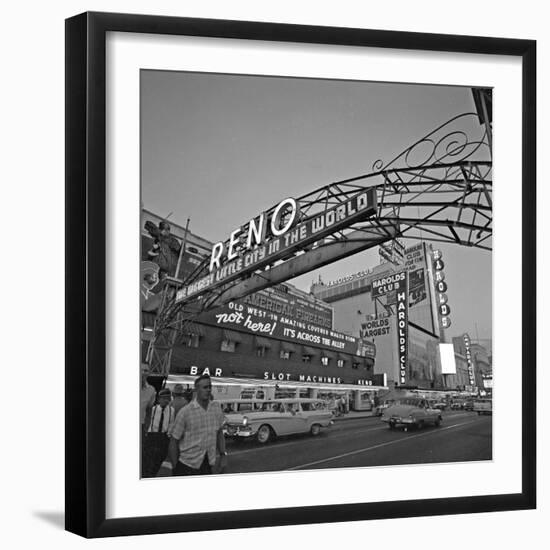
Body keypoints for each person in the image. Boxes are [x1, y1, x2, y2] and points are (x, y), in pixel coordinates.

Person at [168, 374, 227, 476]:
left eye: (210, 387)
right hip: (187, 465)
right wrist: (175, 467)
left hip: (208, 463)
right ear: (197, 389)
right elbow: (174, 441)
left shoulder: (216, 408)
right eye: (205, 387)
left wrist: (223, 455)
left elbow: (219, 433)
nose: (208, 390)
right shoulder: (185, 412)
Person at [142, 388, 175, 477]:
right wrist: (147, 433)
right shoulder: (153, 409)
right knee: (148, 461)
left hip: (163, 438)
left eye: (167, 398)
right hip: (152, 436)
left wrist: (168, 434)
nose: (165, 400)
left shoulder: (172, 410)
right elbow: (147, 421)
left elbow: (171, 423)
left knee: (159, 460)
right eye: (163, 398)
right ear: (159, 399)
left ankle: (153, 475)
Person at [140, 364, 156, 438]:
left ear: (149, 373)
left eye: (145, 370)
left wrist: (146, 427)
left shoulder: (151, 390)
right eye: (140, 369)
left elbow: (149, 410)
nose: (143, 372)